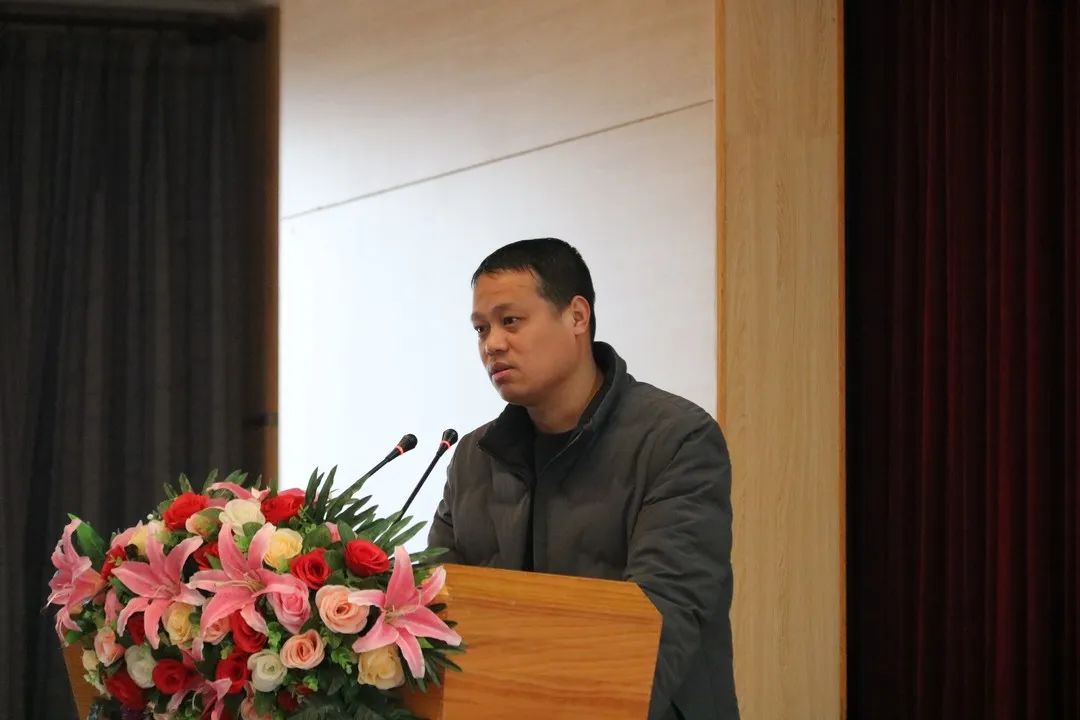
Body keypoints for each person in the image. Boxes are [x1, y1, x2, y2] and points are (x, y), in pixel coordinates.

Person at [427, 238, 738, 720]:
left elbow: (662, 622)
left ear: (577, 316)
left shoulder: (676, 439)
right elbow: (437, 614)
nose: (492, 344)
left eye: (511, 321)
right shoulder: (473, 457)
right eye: (481, 328)